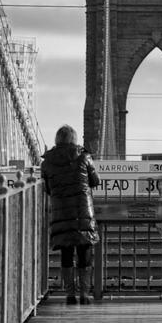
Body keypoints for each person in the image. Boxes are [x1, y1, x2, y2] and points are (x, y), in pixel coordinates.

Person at [41, 125, 100, 305]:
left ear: (57, 139)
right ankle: (84, 294)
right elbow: (95, 181)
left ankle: (70, 295)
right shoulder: (84, 157)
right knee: (84, 254)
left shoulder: (47, 162)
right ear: (75, 139)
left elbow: (49, 189)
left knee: (66, 255)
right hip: (83, 213)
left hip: (61, 214)